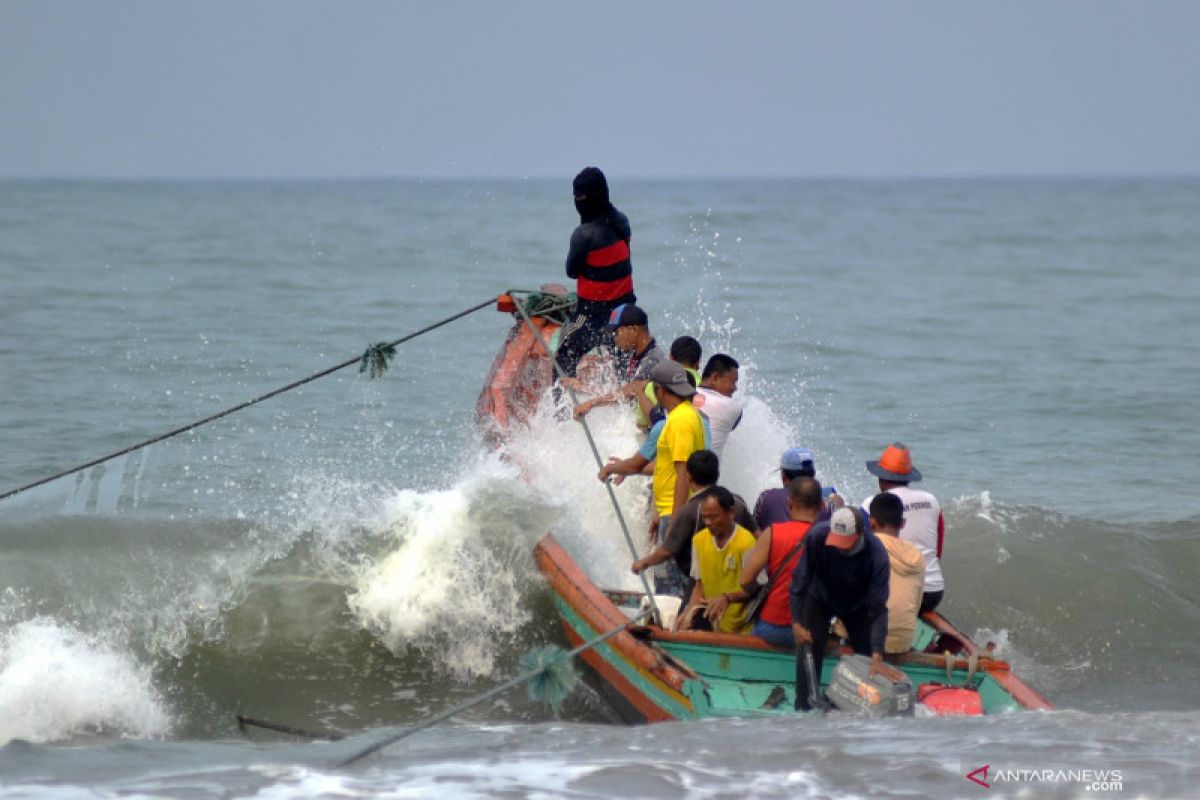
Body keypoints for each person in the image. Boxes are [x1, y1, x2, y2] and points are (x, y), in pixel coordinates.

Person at [600, 360, 706, 592]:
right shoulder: (689, 416)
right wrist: (613, 469)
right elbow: (654, 466)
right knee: (671, 583)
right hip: (670, 511)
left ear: (660, 390)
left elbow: (683, 475)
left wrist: (676, 523)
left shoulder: (679, 422)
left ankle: (670, 627)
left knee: (669, 587)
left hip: (676, 513)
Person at [789, 506, 890, 710]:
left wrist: (877, 651)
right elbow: (799, 583)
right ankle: (804, 705)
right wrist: (797, 623)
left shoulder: (876, 554)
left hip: (858, 605)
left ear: (860, 534)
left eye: (846, 544)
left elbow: (878, 608)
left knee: (868, 656)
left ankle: (863, 706)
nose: (840, 548)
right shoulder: (817, 536)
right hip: (820, 598)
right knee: (808, 647)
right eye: (836, 542)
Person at [631, 450, 756, 599]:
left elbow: (667, 550)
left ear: (688, 476)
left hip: (702, 581)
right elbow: (758, 535)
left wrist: (643, 563)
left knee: (685, 612)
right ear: (717, 474)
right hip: (736, 580)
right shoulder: (736, 502)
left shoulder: (692, 509)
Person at [556, 167, 635, 378]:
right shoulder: (623, 221)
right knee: (623, 367)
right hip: (625, 311)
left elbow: (571, 271)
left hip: (591, 316)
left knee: (563, 355)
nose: (578, 202)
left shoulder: (582, 235)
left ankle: (558, 409)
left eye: (580, 197)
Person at [735, 476, 823, 648]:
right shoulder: (829, 538)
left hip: (773, 626)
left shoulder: (773, 533)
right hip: (811, 628)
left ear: (789, 503)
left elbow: (745, 580)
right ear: (821, 505)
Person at [859, 442, 945, 613]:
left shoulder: (872, 504)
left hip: (898, 593)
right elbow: (938, 550)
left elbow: (862, 554)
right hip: (934, 590)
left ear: (881, 478)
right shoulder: (931, 500)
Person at [680, 488, 757, 634]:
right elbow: (699, 586)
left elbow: (754, 588)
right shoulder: (699, 541)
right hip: (714, 626)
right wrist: (687, 614)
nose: (708, 522)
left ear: (731, 513)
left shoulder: (746, 542)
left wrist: (727, 598)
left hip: (742, 630)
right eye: (704, 517)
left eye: (713, 517)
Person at [572, 304, 666, 419]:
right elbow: (618, 391)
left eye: (616, 333)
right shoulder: (635, 355)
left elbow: (631, 390)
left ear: (634, 330)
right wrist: (582, 386)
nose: (614, 338)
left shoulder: (653, 359)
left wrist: (592, 403)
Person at [869, 492, 926, 654]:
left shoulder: (867, 546)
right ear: (902, 523)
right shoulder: (917, 555)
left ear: (871, 523)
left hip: (869, 639)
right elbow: (917, 603)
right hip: (903, 641)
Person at [753, 447, 842, 529]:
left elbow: (755, 527)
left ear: (784, 477)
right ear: (813, 476)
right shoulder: (827, 506)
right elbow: (837, 506)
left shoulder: (765, 498)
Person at [691, 354, 743, 458]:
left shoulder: (683, 395)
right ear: (715, 378)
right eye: (733, 381)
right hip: (708, 472)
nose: (735, 388)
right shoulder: (733, 408)